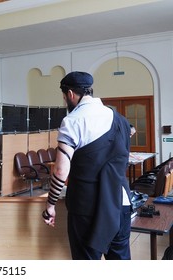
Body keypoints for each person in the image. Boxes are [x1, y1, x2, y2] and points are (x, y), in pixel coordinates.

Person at [41, 71, 132, 260]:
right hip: (120, 202)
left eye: (64, 97)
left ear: (71, 95)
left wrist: (50, 205)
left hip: (87, 207)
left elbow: (60, 170)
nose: (66, 101)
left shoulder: (72, 121)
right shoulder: (120, 119)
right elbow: (126, 144)